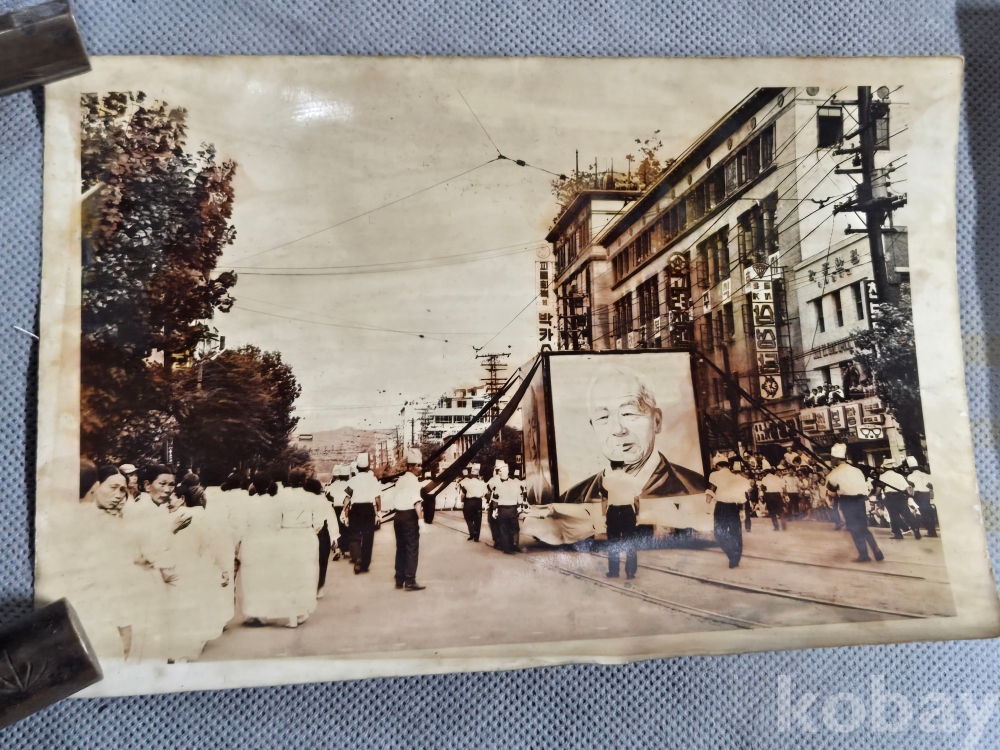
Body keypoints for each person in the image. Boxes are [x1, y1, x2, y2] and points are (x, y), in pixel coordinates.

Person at [559, 366, 707, 504]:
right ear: (593, 426)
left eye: (629, 413)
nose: (618, 429)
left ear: (657, 421)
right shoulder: (571, 500)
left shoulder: (699, 491)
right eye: (603, 417)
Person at [826, 443, 884, 563]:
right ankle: (876, 550)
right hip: (860, 500)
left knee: (853, 528)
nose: (831, 460)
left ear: (836, 458)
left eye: (832, 458)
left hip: (847, 501)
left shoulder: (834, 473)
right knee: (863, 527)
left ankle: (864, 555)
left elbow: (831, 490)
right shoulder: (857, 470)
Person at [385, 449, 426, 591]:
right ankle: (410, 581)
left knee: (401, 548)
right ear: (410, 467)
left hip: (398, 517)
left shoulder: (401, 479)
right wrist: (421, 520)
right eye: (418, 466)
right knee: (412, 548)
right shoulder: (413, 481)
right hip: (409, 516)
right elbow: (417, 502)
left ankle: (399, 579)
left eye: (421, 465)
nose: (420, 468)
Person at [707, 455, 752, 568]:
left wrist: (707, 506)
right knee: (735, 532)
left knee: (719, 532)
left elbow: (711, 491)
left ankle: (731, 553)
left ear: (717, 466)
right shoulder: (737, 477)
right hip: (734, 507)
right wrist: (742, 510)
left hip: (721, 507)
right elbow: (746, 493)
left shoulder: (714, 475)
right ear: (728, 466)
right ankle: (736, 557)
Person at [344, 452, 381, 574]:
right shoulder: (373, 479)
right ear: (368, 467)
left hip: (355, 509)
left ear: (357, 467)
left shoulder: (352, 480)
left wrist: (345, 513)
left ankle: (357, 558)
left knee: (354, 534)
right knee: (368, 536)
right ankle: (364, 563)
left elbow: (347, 498)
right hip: (368, 509)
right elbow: (377, 498)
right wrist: (378, 513)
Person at [877, 459, 921, 541]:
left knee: (893, 516)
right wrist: (909, 496)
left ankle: (898, 534)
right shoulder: (899, 475)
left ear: (884, 467)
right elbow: (907, 487)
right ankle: (915, 527)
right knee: (907, 513)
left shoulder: (882, 476)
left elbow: (879, 488)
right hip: (901, 496)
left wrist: (876, 495)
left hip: (890, 497)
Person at [488, 460, 521, 554]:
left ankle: (506, 548)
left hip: (502, 509)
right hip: (513, 508)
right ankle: (514, 543)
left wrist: (494, 511)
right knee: (514, 527)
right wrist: (519, 507)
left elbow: (494, 498)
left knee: (504, 529)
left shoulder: (496, 483)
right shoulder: (514, 483)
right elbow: (519, 496)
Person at [306, 477, 332, 598]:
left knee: (308, 561)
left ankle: (309, 586)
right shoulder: (323, 500)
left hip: (307, 531)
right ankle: (319, 587)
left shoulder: (303, 500)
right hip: (322, 532)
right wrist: (335, 538)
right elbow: (331, 519)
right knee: (322, 561)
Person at [325, 465, 352, 561]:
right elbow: (350, 497)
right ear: (347, 476)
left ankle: (338, 549)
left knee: (337, 529)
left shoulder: (333, 485)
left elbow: (327, 497)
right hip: (345, 508)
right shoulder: (348, 484)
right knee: (346, 529)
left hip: (335, 508)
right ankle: (345, 550)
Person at [906, 457, 937, 537]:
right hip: (926, 494)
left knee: (923, 513)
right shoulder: (925, 475)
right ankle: (932, 531)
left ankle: (931, 531)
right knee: (928, 512)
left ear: (910, 468)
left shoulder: (910, 476)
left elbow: (910, 489)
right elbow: (930, 485)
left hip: (918, 495)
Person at [459, 463, 487, 542]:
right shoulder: (482, 483)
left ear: (471, 474)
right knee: (478, 519)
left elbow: (462, 488)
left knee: (468, 517)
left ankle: (472, 531)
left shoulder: (466, 482)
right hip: (478, 502)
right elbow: (485, 493)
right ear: (477, 475)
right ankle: (476, 537)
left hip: (469, 501)